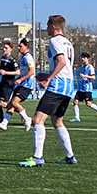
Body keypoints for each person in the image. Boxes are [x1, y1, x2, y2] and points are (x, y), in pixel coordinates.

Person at [20, 15, 77, 167]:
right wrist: (48, 74)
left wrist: (48, 79)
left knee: (37, 120)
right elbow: (65, 65)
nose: (46, 28)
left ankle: (38, 157)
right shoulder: (68, 43)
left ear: (53, 26)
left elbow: (62, 62)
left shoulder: (54, 41)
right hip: (68, 86)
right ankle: (70, 156)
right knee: (57, 121)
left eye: (47, 25)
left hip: (58, 86)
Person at [0, 38, 34, 131]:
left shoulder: (28, 57)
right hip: (21, 83)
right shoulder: (23, 57)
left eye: (21, 46)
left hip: (27, 85)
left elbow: (32, 72)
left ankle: (27, 119)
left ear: (26, 47)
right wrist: (19, 79)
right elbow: (23, 72)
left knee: (14, 102)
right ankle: (4, 123)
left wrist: (21, 79)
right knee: (11, 104)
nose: (19, 48)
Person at [69, 52, 97, 122]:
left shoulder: (90, 67)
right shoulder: (82, 68)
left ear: (88, 59)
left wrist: (85, 76)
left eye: (84, 57)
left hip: (87, 89)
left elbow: (93, 77)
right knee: (75, 102)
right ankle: (77, 117)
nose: (82, 59)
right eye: (82, 57)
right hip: (81, 88)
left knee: (88, 104)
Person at [0, 41, 19, 123]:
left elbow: (18, 72)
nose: (4, 49)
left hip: (8, 83)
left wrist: (5, 73)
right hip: (2, 82)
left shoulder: (12, 60)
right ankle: (0, 121)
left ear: (11, 49)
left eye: (6, 48)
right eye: (4, 47)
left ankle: (21, 111)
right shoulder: (3, 58)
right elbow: (2, 69)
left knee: (2, 103)